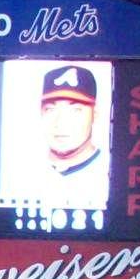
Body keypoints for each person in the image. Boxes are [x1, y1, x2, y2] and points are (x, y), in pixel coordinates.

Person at [33, 65, 107, 208]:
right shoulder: (19, 173)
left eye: (75, 110)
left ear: (94, 115)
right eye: (50, 109)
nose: (61, 123)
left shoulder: (116, 173)